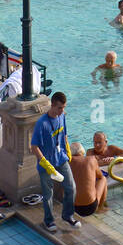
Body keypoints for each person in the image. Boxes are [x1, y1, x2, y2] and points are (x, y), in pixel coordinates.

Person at [32, 92, 81, 233]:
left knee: (71, 187)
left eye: (64, 107)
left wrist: (67, 149)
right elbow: (34, 147)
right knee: (48, 194)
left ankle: (68, 216)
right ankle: (49, 221)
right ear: (52, 105)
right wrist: (45, 163)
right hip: (46, 164)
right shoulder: (42, 124)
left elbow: (64, 134)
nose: (62, 111)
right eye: (59, 108)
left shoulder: (62, 116)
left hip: (61, 158)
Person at [69, 141, 108, 215]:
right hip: (90, 207)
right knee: (103, 179)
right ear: (82, 152)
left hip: (71, 207)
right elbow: (100, 176)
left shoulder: (67, 162)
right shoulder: (91, 159)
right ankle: (101, 208)